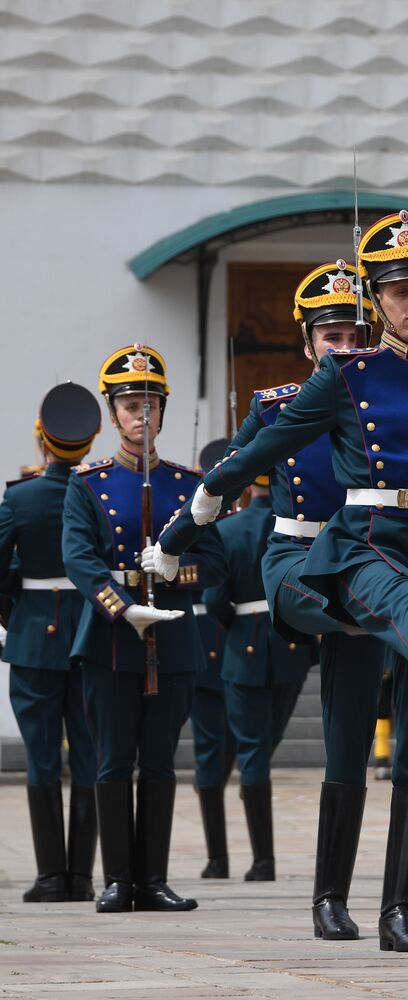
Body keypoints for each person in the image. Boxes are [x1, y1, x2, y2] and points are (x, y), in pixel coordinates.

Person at [166, 214, 408, 952]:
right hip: (365, 545)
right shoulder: (346, 375)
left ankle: (400, 911)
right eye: (399, 292)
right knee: (352, 732)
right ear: (377, 301)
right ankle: (329, 898)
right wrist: (199, 505)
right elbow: (271, 441)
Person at [65, 344, 227, 913]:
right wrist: (120, 606)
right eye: (130, 403)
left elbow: (217, 563)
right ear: (113, 414)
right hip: (111, 638)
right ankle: (117, 880)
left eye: (151, 403)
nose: (141, 414)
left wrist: (177, 569)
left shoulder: (190, 487)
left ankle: (152, 878)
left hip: (175, 637)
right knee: (113, 761)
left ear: (162, 412)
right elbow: (79, 559)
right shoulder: (87, 483)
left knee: (160, 761)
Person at [0, 382, 102, 902]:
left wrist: (13, 615)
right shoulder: (98, 491)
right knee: (88, 753)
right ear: (91, 440)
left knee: (41, 758)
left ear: (42, 438)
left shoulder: (19, 497)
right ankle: (81, 877)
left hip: (33, 639)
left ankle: (48, 877)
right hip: (91, 632)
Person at [204, 474, 316, 881]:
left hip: (243, 648)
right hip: (290, 644)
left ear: (249, 485)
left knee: (252, 751)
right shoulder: (296, 526)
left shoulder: (227, 529)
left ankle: (262, 861)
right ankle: (262, 851)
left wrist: (235, 625)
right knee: (265, 744)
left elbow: (215, 597)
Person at [190, 438, 236, 880]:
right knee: (212, 752)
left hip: (228, 646)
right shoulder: (202, 519)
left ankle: (219, 855)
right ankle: (217, 854)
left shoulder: (220, 524)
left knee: (219, 752)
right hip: (211, 646)